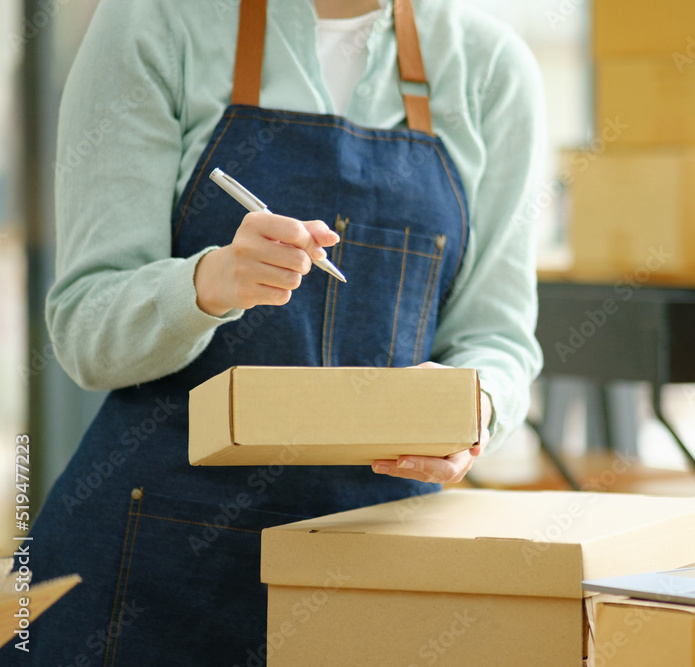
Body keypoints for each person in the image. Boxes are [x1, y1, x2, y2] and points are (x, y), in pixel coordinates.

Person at [10, 0, 544, 663]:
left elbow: (499, 340)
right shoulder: (155, 21)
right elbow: (85, 327)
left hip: (374, 578)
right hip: (148, 573)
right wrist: (209, 283)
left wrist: (473, 409)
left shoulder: (492, 68)